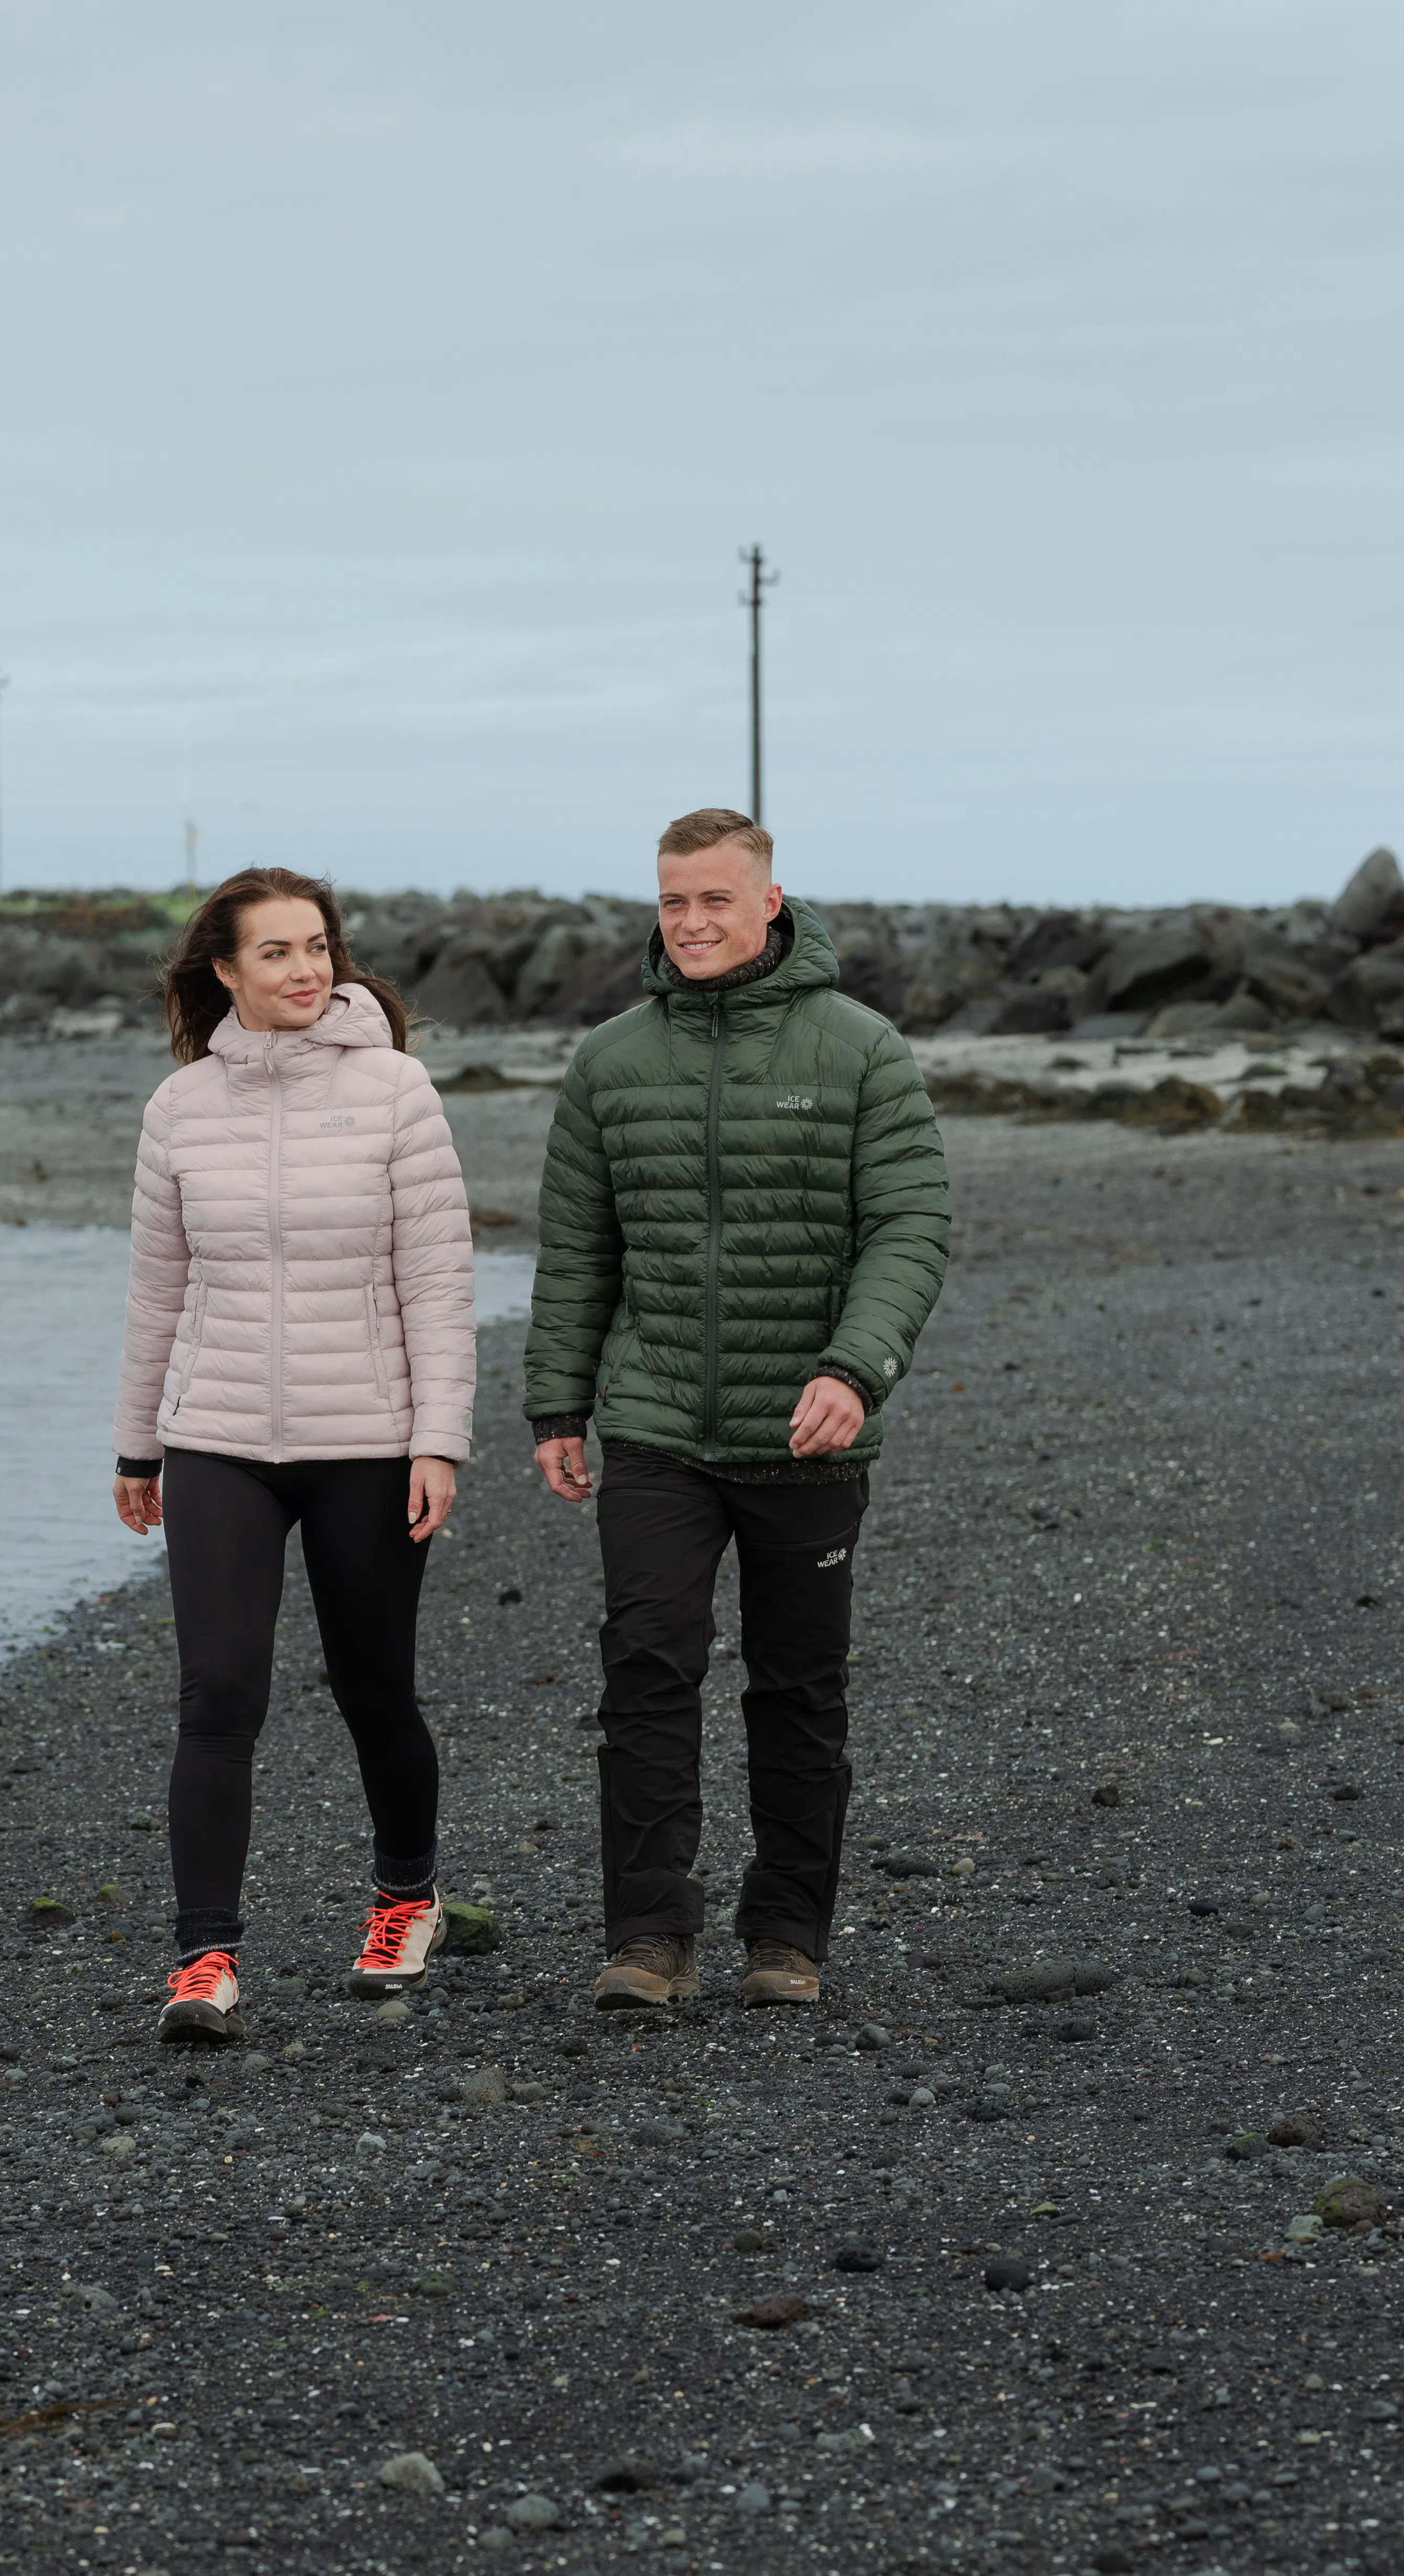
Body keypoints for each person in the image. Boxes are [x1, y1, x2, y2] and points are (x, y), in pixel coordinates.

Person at [526, 808, 953, 2010]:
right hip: (657, 1424)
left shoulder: (861, 1049)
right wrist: (559, 1404)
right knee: (647, 1676)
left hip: (808, 1427)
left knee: (798, 1690)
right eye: (674, 901)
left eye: (717, 899)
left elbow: (911, 1227)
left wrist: (852, 1368)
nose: (694, 922)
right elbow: (577, 1249)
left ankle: (787, 1940)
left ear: (771, 901)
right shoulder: (612, 1060)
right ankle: (649, 1939)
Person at [113, 868, 478, 2042]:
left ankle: (406, 1899)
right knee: (218, 1696)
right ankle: (204, 1960)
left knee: (374, 1690)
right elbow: (155, 1289)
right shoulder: (181, 1109)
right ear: (224, 972)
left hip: (366, 1442)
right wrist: (136, 1446)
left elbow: (438, 1282)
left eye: (317, 947)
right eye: (275, 954)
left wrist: (440, 1442)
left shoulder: (398, 1093)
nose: (306, 971)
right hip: (217, 1436)